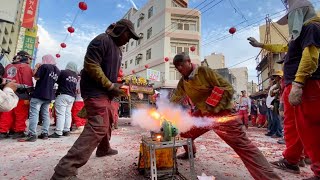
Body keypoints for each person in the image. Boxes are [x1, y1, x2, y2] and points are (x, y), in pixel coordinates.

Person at [51, 19, 139, 180]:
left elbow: (109, 74)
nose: (129, 39)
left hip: (105, 92)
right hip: (94, 91)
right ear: (121, 30)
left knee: (108, 119)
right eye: (128, 34)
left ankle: (104, 148)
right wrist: (110, 86)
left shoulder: (118, 50)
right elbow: (92, 66)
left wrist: (117, 85)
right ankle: (65, 170)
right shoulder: (102, 40)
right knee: (98, 125)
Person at [170, 52, 281, 180]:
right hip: (204, 114)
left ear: (189, 61)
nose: (179, 69)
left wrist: (212, 104)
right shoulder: (183, 82)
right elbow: (176, 97)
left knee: (244, 147)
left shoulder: (203, 71)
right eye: (176, 67)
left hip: (222, 113)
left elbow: (226, 87)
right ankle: (190, 152)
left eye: (181, 65)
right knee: (185, 131)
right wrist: (165, 110)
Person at [248, 0, 320, 179]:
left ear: (300, 13)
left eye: (291, 17)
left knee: (311, 127)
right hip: (294, 84)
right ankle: (292, 160)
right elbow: (281, 48)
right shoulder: (301, 32)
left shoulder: (312, 27)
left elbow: (310, 56)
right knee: (293, 126)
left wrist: (299, 83)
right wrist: (261, 45)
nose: (290, 23)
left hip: (305, 84)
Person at [19, 54, 60, 142]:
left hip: (39, 93)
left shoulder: (44, 66)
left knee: (34, 113)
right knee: (45, 114)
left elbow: (36, 77)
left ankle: (32, 134)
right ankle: (45, 133)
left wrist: (37, 67)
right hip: (49, 95)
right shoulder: (57, 70)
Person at [0, 51, 33, 139]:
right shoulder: (25, 67)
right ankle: (18, 131)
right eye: (29, 58)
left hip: (7, 91)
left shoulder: (8, 66)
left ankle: (3, 131)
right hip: (21, 94)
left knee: (7, 112)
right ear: (25, 57)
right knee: (20, 113)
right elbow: (28, 83)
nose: (30, 60)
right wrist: (31, 92)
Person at [49, 62, 78, 138]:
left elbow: (56, 80)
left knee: (60, 114)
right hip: (71, 96)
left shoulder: (63, 72)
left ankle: (58, 132)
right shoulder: (76, 76)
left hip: (63, 94)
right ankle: (66, 130)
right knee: (68, 113)